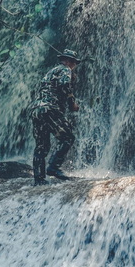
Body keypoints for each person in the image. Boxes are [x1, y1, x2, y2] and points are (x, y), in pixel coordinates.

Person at [30, 49, 82, 185]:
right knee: (68, 137)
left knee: (41, 146)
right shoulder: (66, 70)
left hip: (36, 109)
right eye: (74, 63)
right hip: (50, 108)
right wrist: (72, 103)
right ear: (70, 61)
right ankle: (53, 167)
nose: (74, 66)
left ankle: (39, 179)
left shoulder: (51, 72)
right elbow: (64, 85)